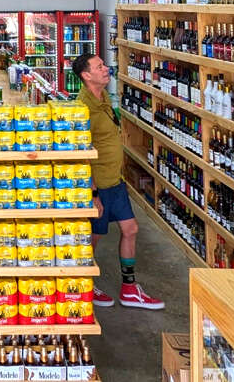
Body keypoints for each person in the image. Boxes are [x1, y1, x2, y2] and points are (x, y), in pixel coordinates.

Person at [72, 53, 165, 310]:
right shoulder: (83, 108)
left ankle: (129, 288)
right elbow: (81, 154)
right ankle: (83, 284)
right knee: (93, 237)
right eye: (99, 66)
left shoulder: (103, 98)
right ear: (86, 75)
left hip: (116, 180)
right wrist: (92, 194)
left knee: (130, 229)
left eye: (104, 64)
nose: (106, 69)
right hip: (99, 184)